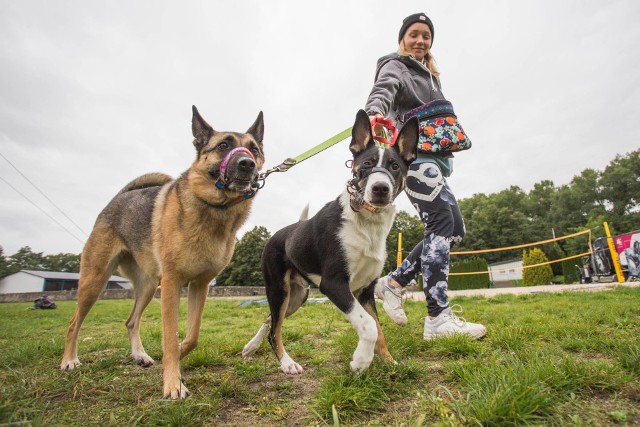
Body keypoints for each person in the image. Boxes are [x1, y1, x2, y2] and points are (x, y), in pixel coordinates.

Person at [365, 12, 486, 340]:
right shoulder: (396, 65)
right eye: (414, 34)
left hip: (435, 162)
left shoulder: (431, 75)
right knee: (440, 225)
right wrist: (375, 113)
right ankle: (438, 318)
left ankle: (392, 283)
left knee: (455, 229)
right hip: (414, 159)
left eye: (426, 36)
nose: (420, 40)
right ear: (402, 38)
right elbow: (383, 90)